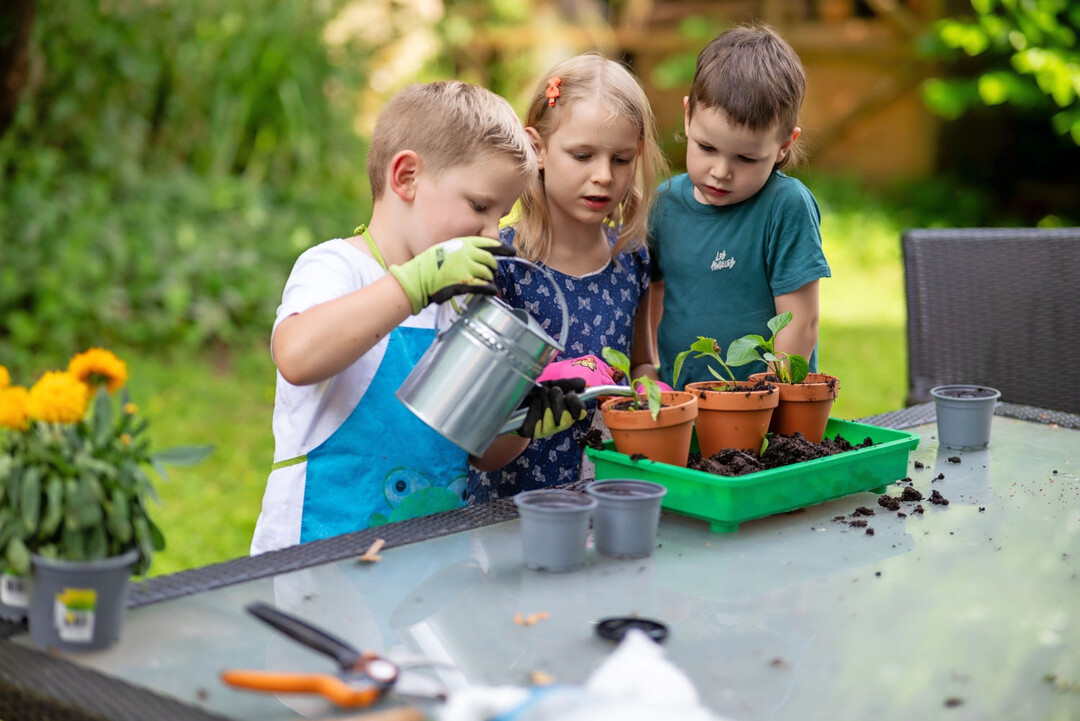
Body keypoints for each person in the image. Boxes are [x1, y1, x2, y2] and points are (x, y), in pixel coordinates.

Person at [251, 81, 587, 555]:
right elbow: (297, 356)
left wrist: (519, 422)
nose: (493, 235)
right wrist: (414, 285)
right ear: (406, 177)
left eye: (501, 216)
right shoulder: (337, 267)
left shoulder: (456, 301)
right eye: (479, 207)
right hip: (317, 558)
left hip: (431, 562)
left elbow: (476, 451)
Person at [467, 53, 668, 503]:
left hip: (608, 496)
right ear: (537, 149)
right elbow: (478, 440)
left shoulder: (632, 260)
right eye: (582, 156)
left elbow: (641, 363)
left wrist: (649, 394)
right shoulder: (503, 265)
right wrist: (530, 403)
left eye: (621, 159)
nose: (604, 176)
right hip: (511, 509)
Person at [647, 24, 831, 388]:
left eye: (746, 158)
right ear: (688, 116)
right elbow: (653, 295)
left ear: (783, 145)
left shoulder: (785, 206)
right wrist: (652, 372)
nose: (721, 172)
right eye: (707, 148)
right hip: (681, 401)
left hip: (764, 405)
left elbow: (800, 323)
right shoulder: (664, 203)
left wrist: (770, 397)